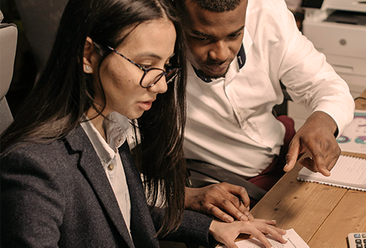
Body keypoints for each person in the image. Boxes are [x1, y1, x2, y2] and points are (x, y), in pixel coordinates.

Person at [0, 0, 288, 247]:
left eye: (166, 66)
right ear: (88, 55)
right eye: (146, 66)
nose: (162, 85)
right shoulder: (32, 166)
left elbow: (123, 211)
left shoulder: (111, 127)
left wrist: (210, 228)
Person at [177, 0, 355, 223]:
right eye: (202, 38)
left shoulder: (266, 12)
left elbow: (325, 84)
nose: (220, 54)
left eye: (234, 35)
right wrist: (186, 196)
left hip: (288, 154)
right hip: (228, 183)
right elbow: (123, 174)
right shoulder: (149, 48)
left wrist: (323, 121)